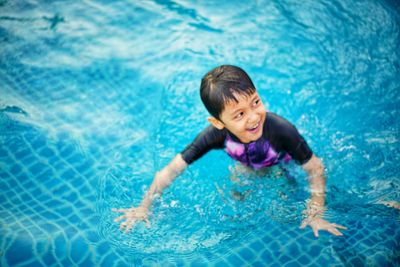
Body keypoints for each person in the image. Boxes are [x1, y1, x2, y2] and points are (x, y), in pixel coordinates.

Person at [113, 65, 347, 237]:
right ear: (218, 123)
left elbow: (315, 167)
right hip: (245, 166)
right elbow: (169, 171)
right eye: (240, 114)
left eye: (255, 102)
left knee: (282, 212)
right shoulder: (214, 135)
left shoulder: (281, 130)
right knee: (236, 204)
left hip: (280, 165)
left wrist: (316, 209)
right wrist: (144, 207)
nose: (254, 117)